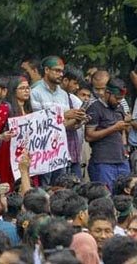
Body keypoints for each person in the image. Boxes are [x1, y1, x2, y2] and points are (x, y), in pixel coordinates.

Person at [31, 56, 87, 185]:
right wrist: (64, 114)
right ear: (46, 70)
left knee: (60, 187)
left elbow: (63, 125)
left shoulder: (63, 94)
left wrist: (78, 120)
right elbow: (37, 122)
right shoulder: (35, 92)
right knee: (45, 188)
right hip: (43, 151)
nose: (60, 74)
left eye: (61, 71)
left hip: (60, 149)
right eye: (57, 70)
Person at [85, 79, 131, 191]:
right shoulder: (95, 108)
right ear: (107, 92)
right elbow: (89, 136)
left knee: (125, 195)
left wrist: (125, 148)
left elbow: (122, 132)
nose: (119, 101)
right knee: (106, 197)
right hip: (103, 162)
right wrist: (113, 128)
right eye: (117, 98)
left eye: (121, 99)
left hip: (122, 160)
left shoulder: (120, 107)